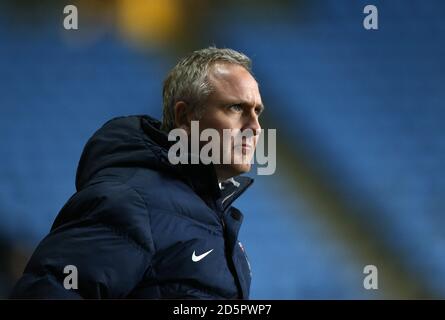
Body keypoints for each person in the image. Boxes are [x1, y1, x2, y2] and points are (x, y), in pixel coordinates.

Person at [10, 47, 264, 299]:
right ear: (185, 117)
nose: (254, 127)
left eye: (257, 111)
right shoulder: (129, 203)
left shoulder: (216, 219)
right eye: (235, 108)